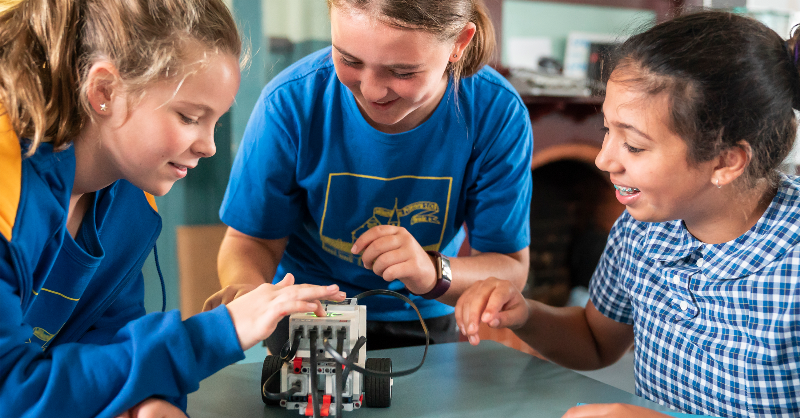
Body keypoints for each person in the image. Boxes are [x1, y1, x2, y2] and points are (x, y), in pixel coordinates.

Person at [0, 1, 344, 417]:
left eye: (215, 121)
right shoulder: (8, 186)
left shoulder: (129, 199)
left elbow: (107, 346)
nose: (210, 146)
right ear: (105, 91)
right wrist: (219, 332)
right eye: (189, 117)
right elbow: (10, 391)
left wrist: (144, 402)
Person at [456, 10, 800, 418]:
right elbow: (595, 341)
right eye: (606, 130)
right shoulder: (642, 228)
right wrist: (525, 313)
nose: (603, 160)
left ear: (726, 161)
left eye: (633, 146)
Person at [204, 0, 533, 353]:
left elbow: (509, 267)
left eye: (403, 72)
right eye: (349, 60)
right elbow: (250, 241)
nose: (373, 91)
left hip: (423, 318)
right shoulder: (289, 103)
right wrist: (250, 293)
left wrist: (431, 273)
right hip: (309, 314)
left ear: (459, 43)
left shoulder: (497, 113)